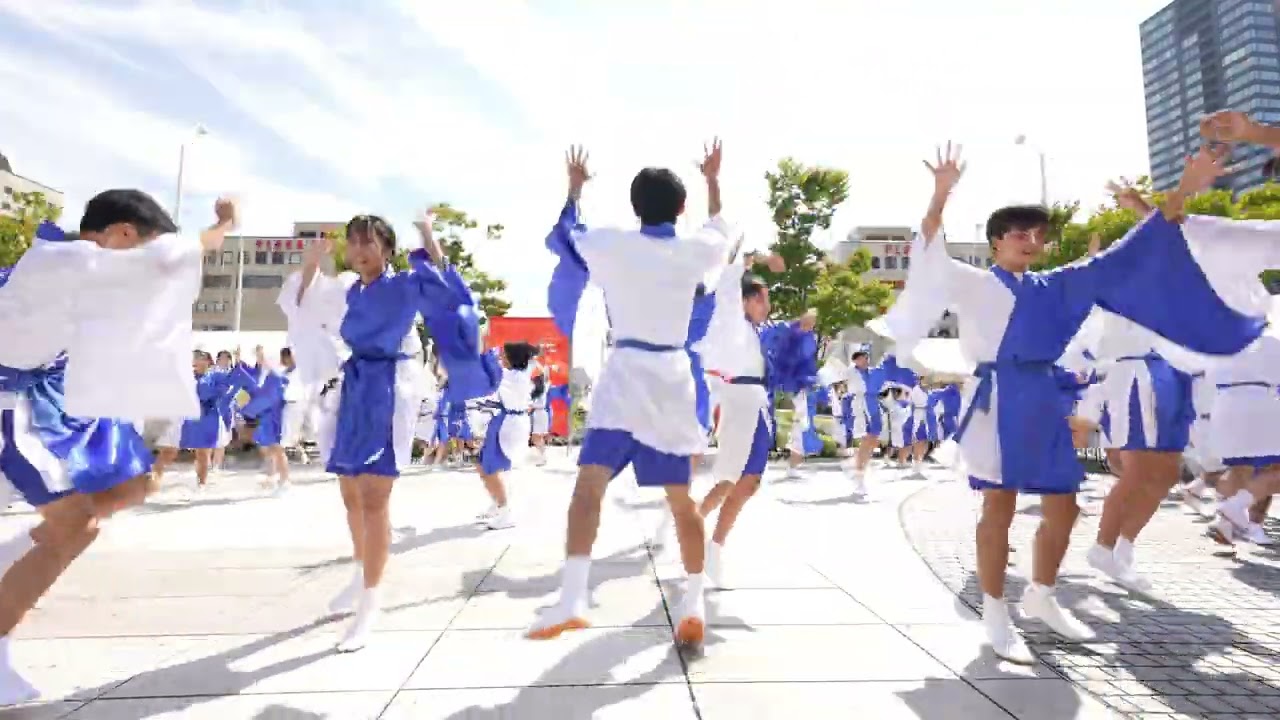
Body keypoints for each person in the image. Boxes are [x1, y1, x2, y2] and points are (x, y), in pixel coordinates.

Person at [873, 142, 1266, 664]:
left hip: (1042, 394)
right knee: (1000, 505)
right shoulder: (970, 281)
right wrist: (941, 194)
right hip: (999, 397)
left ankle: (1041, 593)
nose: (1032, 241)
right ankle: (995, 610)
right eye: (1019, 233)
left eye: (1039, 234)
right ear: (995, 243)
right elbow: (928, 250)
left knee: (1065, 505)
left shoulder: (1057, 285)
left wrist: (1186, 188)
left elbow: (1129, 251)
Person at [0, 192, 235, 706]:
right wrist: (225, 223)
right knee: (74, 522)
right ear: (123, 235)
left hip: (45, 391)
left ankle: (11, 562)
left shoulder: (84, 267)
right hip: (10, 396)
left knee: (132, 483)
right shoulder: (71, 258)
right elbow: (175, 256)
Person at [531, 141, 731, 646]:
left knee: (589, 486)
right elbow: (721, 227)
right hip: (671, 378)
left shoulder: (611, 244)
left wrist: (576, 185)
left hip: (624, 373)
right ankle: (692, 601)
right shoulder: (694, 250)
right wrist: (711, 178)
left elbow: (568, 232)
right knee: (682, 501)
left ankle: (573, 595)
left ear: (634, 207)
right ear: (680, 209)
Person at [282, 209, 493, 652]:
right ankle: (360, 574)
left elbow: (444, 282)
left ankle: (371, 605)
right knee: (350, 493)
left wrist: (429, 233)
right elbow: (301, 304)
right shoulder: (345, 288)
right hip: (353, 385)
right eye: (354, 242)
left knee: (374, 497)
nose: (359, 251)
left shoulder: (402, 284)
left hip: (388, 389)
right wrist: (311, 263)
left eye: (369, 242)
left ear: (387, 249)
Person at [691, 250, 801, 588]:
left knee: (748, 481)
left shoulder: (756, 332)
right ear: (746, 300)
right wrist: (759, 259)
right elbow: (729, 280)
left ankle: (713, 544)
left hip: (757, 403)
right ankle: (694, 531)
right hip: (739, 401)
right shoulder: (729, 318)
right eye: (762, 300)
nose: (767, 307)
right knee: (729, 479)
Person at [474, 342, 539, 530]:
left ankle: (505, 510)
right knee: (483, 464)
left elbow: (487, 363)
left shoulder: (511, 376)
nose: (501, 358)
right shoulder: (519, 372)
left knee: (490, 467)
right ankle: (497, 503)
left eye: (504, 355)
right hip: (503, 419)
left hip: (510, 422)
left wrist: (484, 347)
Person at [240, 347, 291, 495]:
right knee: (267, 448)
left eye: (262, 356)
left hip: (275, 416)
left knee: (276, 448)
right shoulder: (263, 375)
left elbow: (269, 398)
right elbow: (253, 392)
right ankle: (272, 477)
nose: (260, 359)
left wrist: (248, 408)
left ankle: (284, 480)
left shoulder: (275, 376)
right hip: (265, 416)